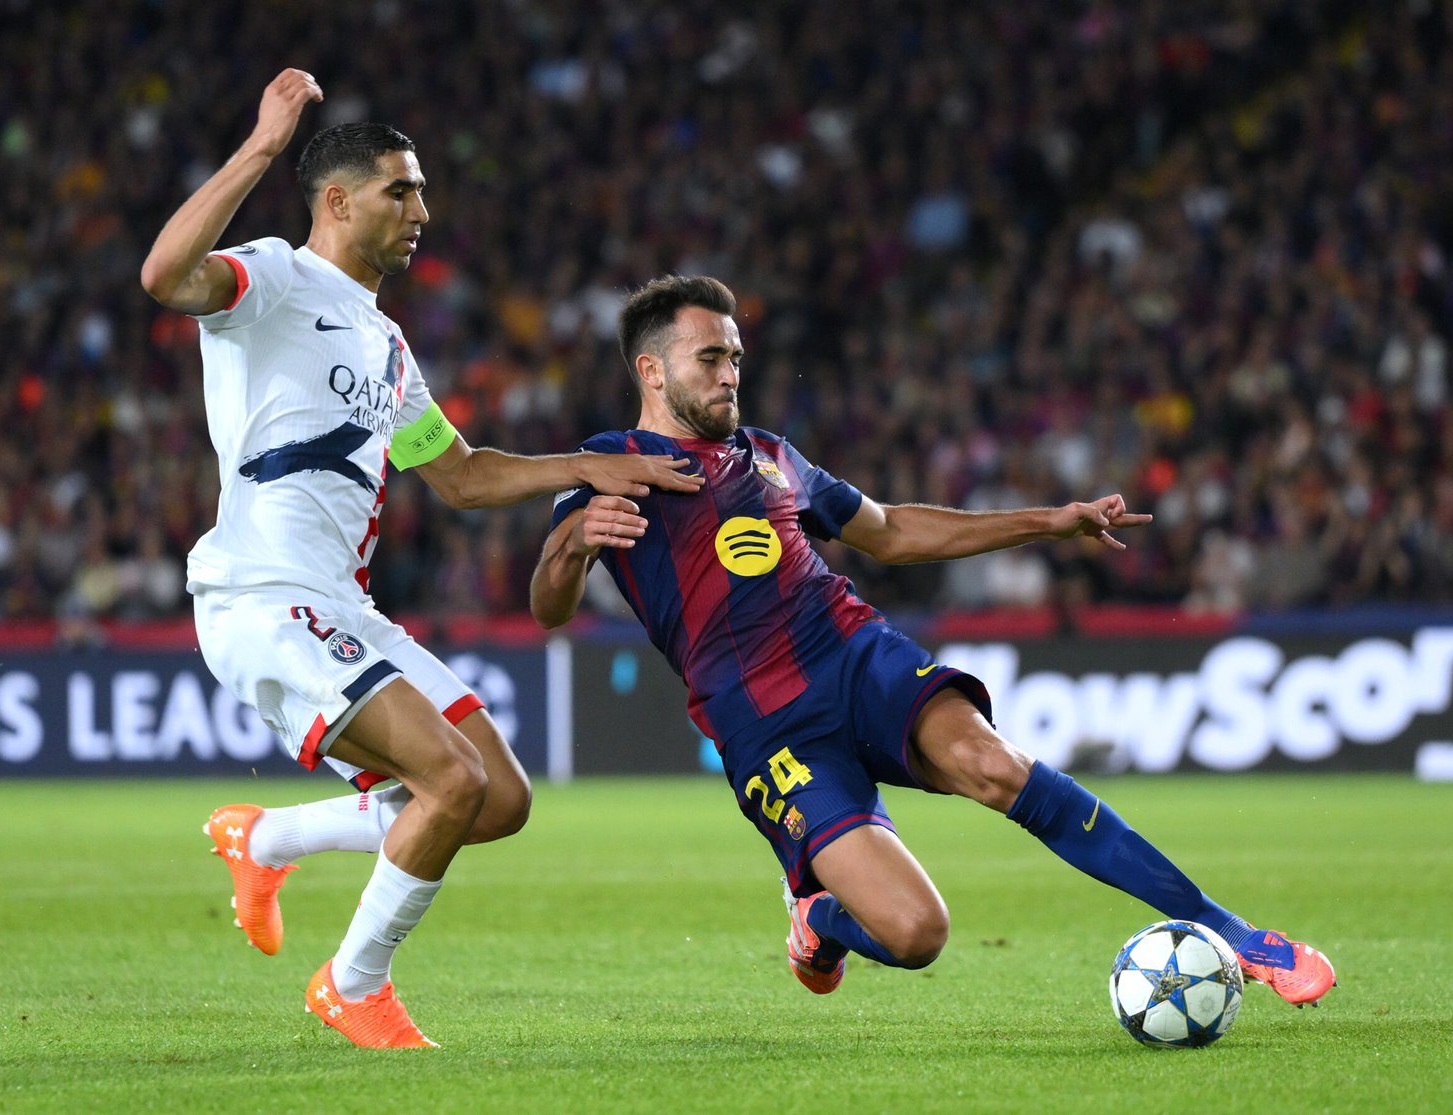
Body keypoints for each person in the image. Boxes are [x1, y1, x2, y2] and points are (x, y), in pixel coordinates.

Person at [530, 274, 1336, 1008]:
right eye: (710, 358)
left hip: (852, 653)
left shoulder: (771, 454)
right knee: (917, 933)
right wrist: (571, 545)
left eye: (735, 357)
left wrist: (1049, 522)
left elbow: (892, 531)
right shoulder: (608, 462)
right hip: (766, 724)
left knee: (996, 763)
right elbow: (548, 608)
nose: (730, 374)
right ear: (652, 371)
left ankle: (1233, 931)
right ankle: (820, 918)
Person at [139, 71, 703, 1049]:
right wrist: (263, 145)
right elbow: (162, 276)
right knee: (448, 778)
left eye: (423, 191)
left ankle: (264, 839)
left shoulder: (388, 344)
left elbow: (464, 476)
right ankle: (352, 985)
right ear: (337, 200)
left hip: (342, 607)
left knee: (498, 797)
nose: (421, 212)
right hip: (262, 594)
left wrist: (587, 465)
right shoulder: (273, 280)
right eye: (399, 191)